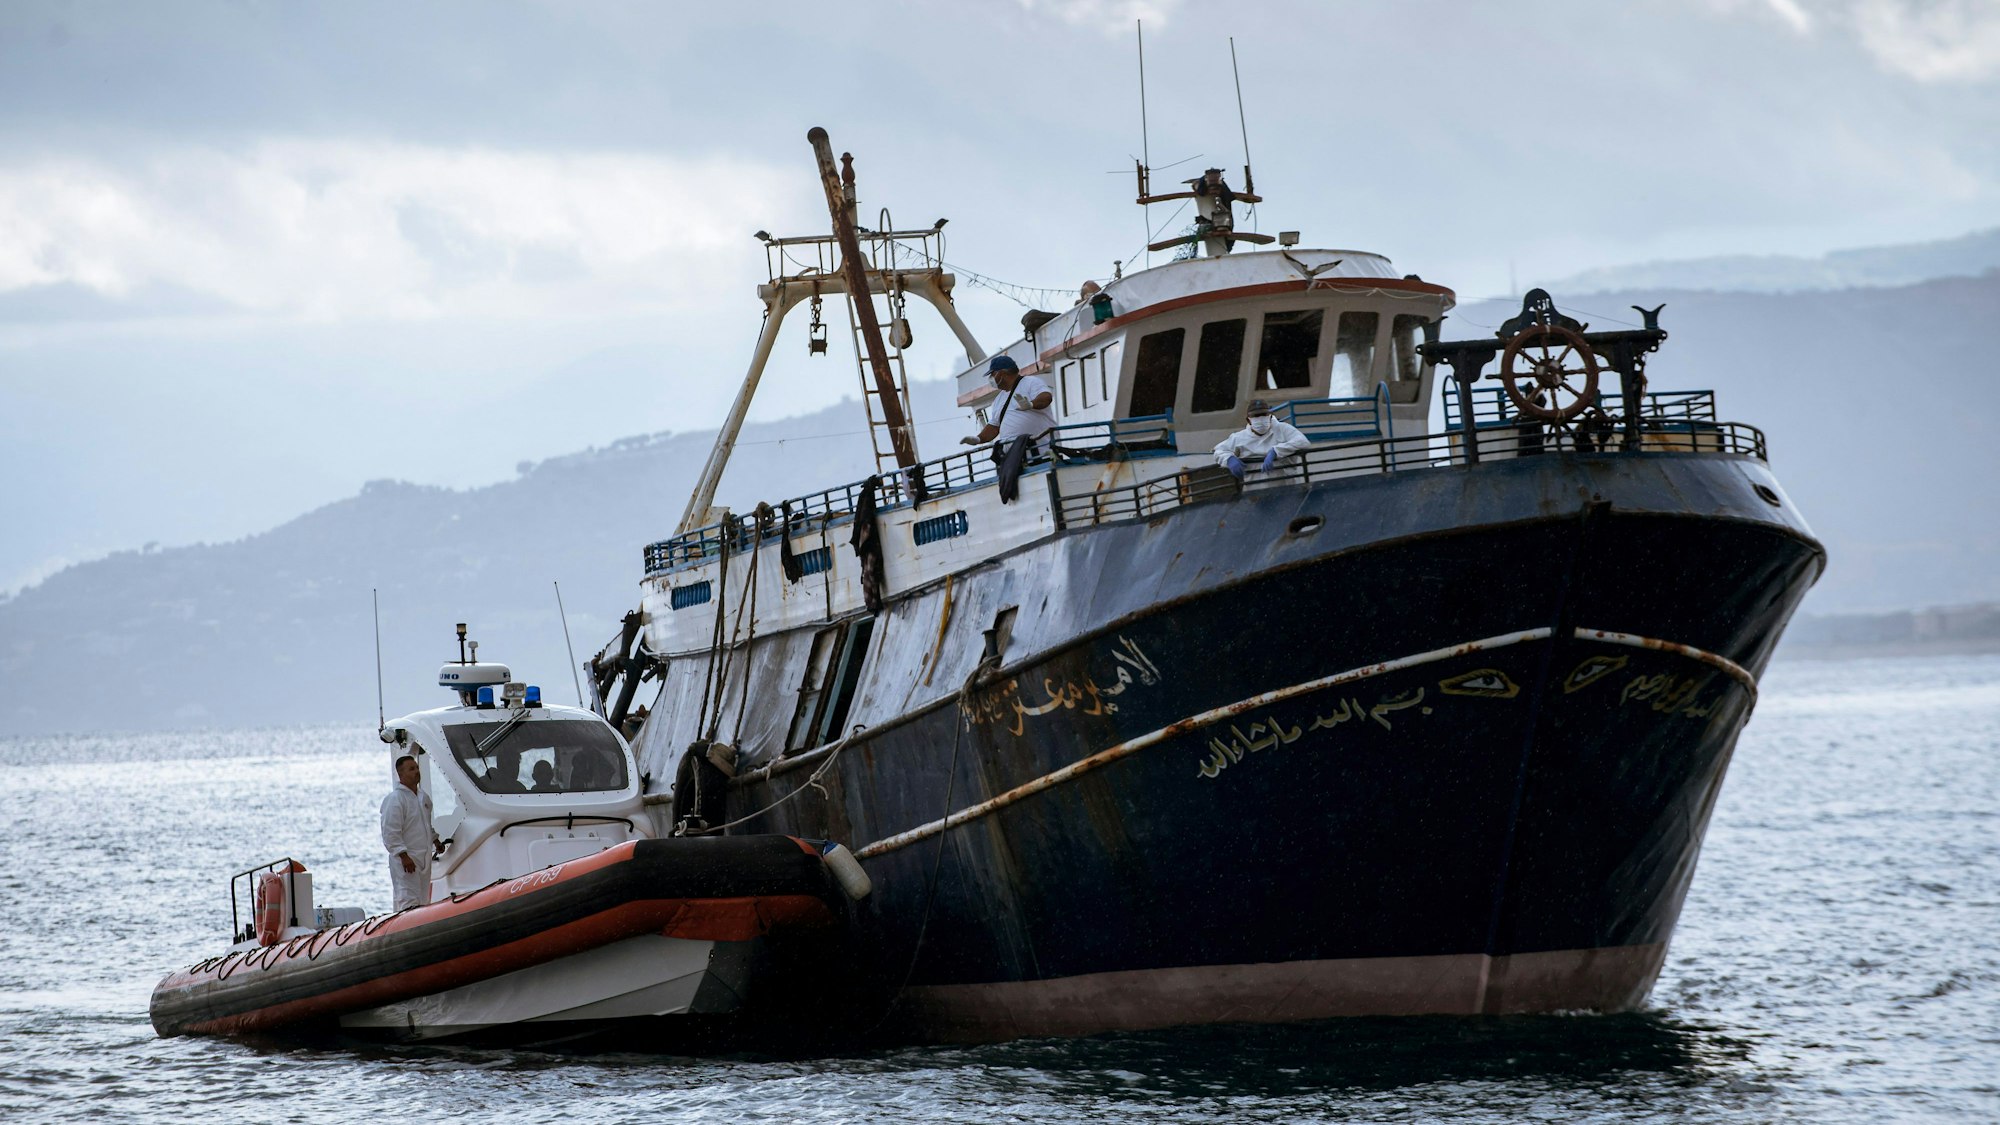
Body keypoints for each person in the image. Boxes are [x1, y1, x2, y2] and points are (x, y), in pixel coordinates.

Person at [960, 355, 1056, 458]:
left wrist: (1031, 404)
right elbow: (994, 427)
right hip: (1015, 458)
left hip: (1041, 453)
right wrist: (978, 439)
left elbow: (1046, 397)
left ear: (1002, 373)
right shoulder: (999, 399)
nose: (991, 378)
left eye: (992, 374)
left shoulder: (1031, 382)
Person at [380, 754, 441, 912]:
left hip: (424, 857)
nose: (416, 772)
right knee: (408, 898)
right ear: (400, 774)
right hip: (407, 859)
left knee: (423, 899)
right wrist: (403, 855)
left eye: (417, 768)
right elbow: (390, 832)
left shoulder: (423, 797)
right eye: (411, 769)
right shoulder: (395, 799)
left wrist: (435, 840)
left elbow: (425, 824)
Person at [1213, 399, 1310, 480]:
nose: (1260, 418)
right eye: (1256, 416)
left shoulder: (1283, 429)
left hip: (1287, 486)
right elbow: (1219, 451)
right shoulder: (1238, 438)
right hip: (1254, 489)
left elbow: (1303, 442)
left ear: (1270, 416)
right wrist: (1229, 459)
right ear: (1248, 420)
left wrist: (1276, 451)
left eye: (1264, 414)